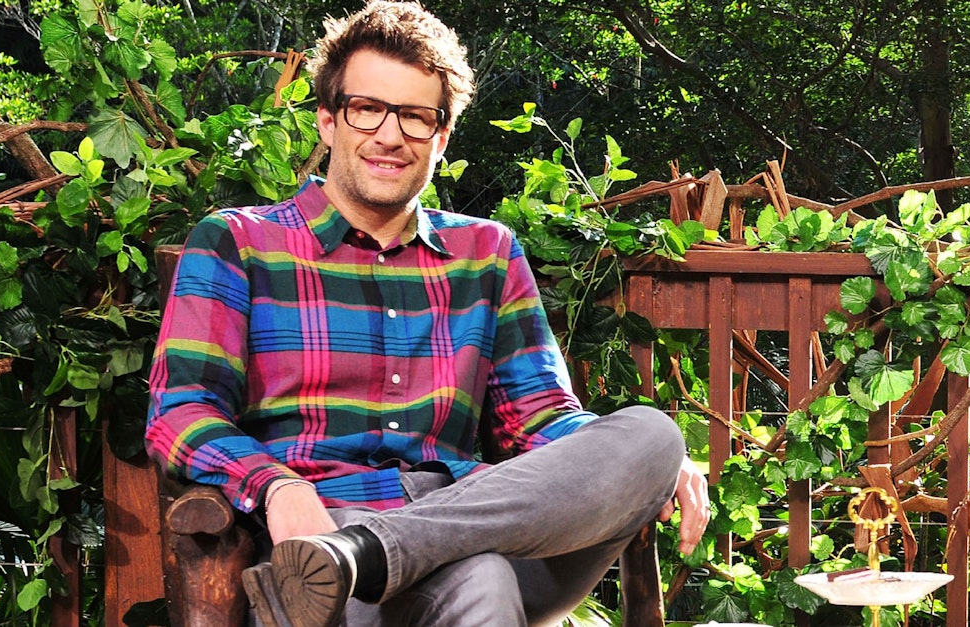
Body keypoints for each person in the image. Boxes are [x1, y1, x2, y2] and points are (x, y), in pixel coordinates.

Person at [144, 3, 709, 626]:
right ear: (328, 121)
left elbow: (540, 418)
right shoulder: (239, 242)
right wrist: (279, 487)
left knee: (654, 436)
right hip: (318, 554)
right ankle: (352, 554)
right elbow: (181, 414)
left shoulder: (487, 253)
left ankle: (367, 554)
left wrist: (649, 465)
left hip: (479, 524)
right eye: (367, 109)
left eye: (415, 117)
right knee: (482, 578)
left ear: (441, 138)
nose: (390, 136)